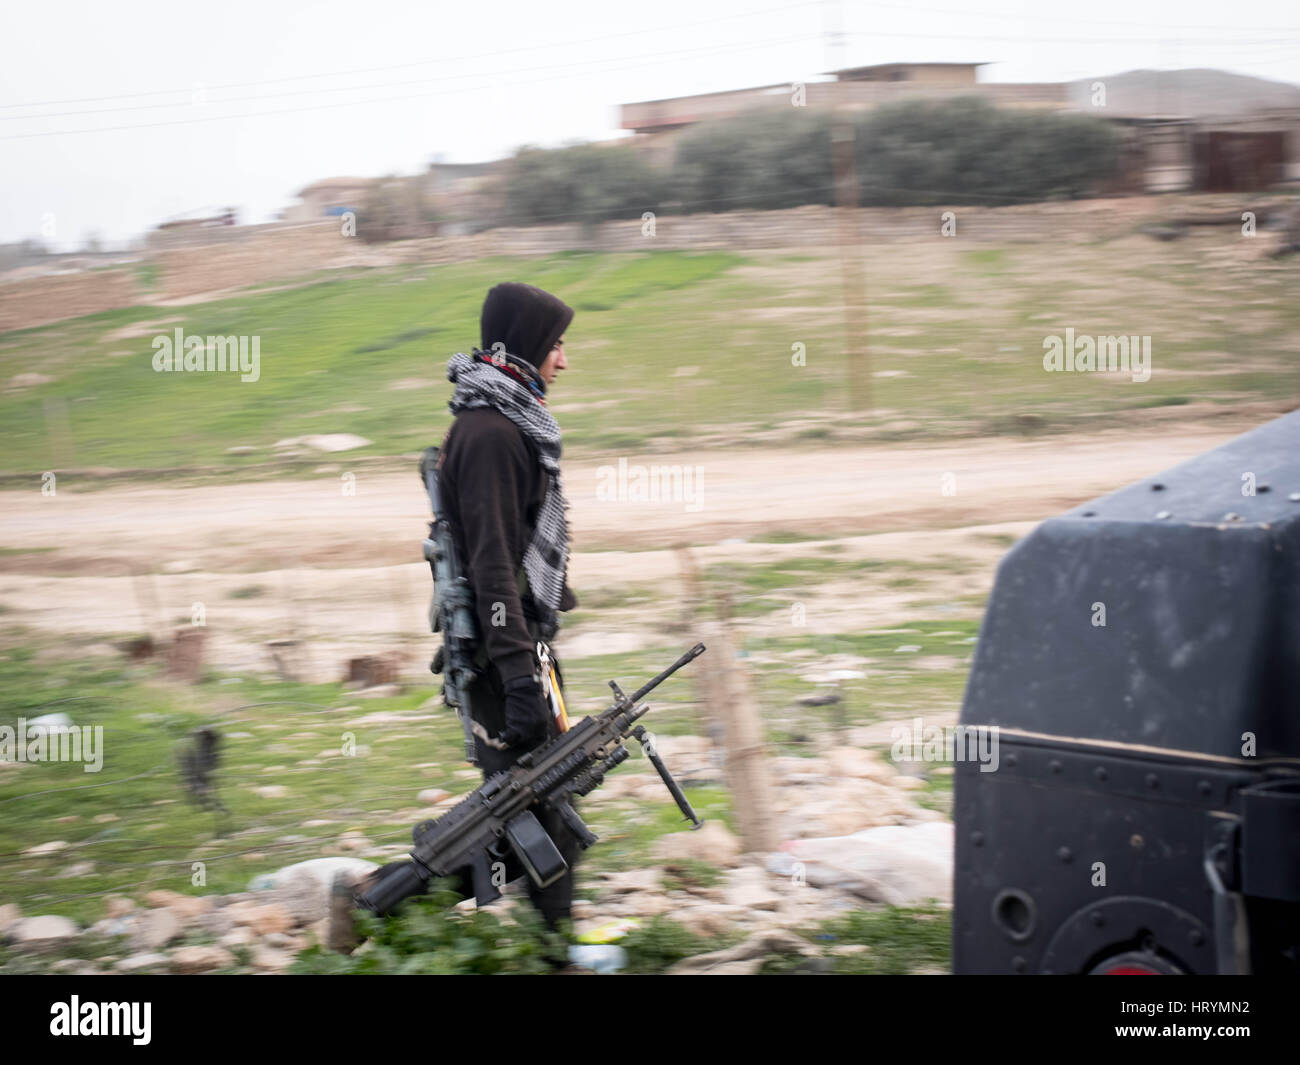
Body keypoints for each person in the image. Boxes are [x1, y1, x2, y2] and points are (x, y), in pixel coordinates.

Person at [434, 281, 581, 929]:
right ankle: (383, 905)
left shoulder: (501, 419)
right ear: (525, 346)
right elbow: (492, 566)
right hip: (506, 659)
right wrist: (521, 677)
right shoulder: (492, 433)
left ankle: (552, 952)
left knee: (544, 812)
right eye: (555, 345)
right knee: (536, 817)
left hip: (520, 647)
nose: (564, 360)